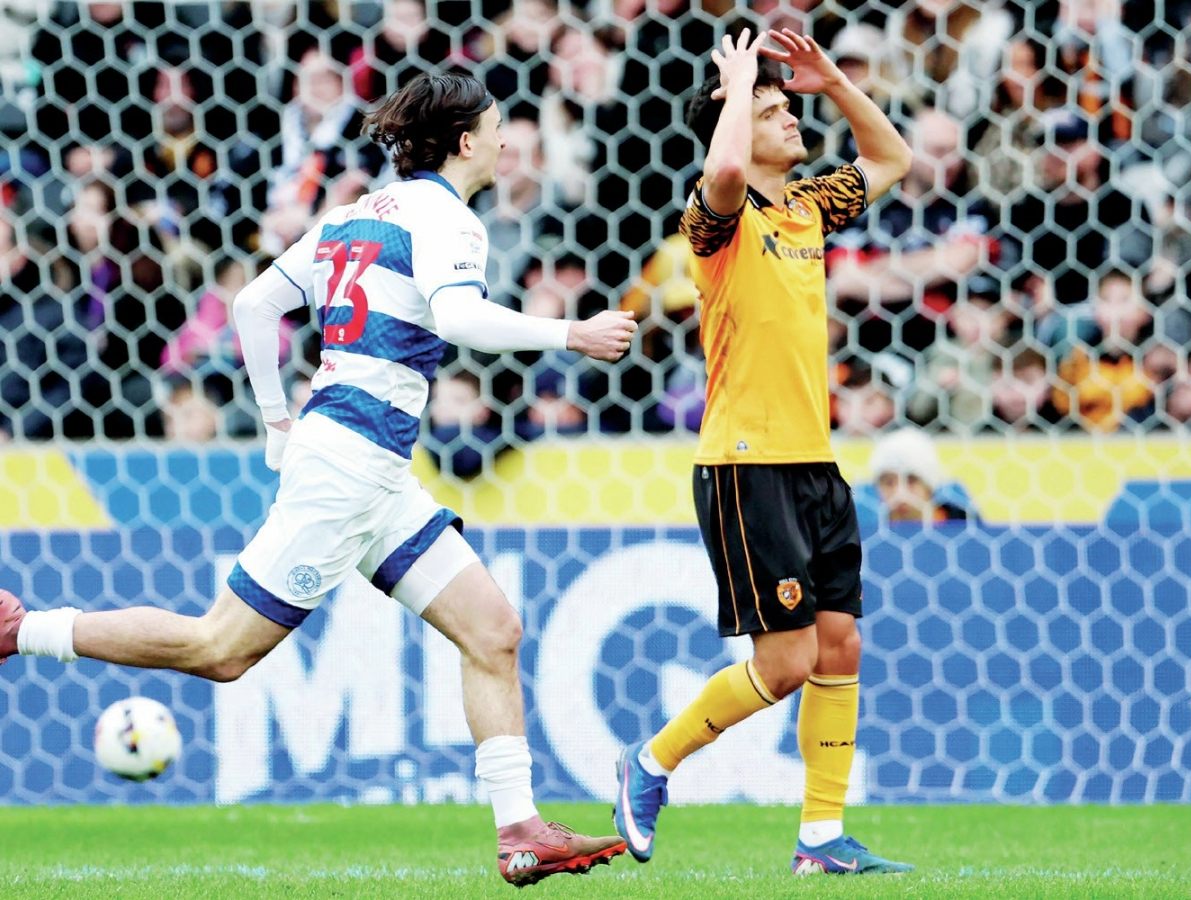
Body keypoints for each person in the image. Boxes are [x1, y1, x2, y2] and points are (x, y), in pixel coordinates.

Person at [0, 72, 639, 888]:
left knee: (493, 631)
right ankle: (24, 630)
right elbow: (457, 319)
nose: (509, 137)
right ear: (468, 141)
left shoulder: (355, 214)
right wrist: (570, 333)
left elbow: (253, 307)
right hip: (349, 468)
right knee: (218, 648)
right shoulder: (449, 218)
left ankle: (520, 831)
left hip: (368, 466)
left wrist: (275, 422)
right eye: (498, 125)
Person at [610, 28, 915, 876]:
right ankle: (648, 765)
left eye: (785, 109)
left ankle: (820, 839)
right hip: (745, 463)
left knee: (840, 643)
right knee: (783, 664)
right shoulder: (717, 220)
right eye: (770, 112)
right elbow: (726, 173)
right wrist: (739, 87)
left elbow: (892, 162)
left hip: (813, 462)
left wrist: (834, 85)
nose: (787, 119)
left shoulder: (806, 205)